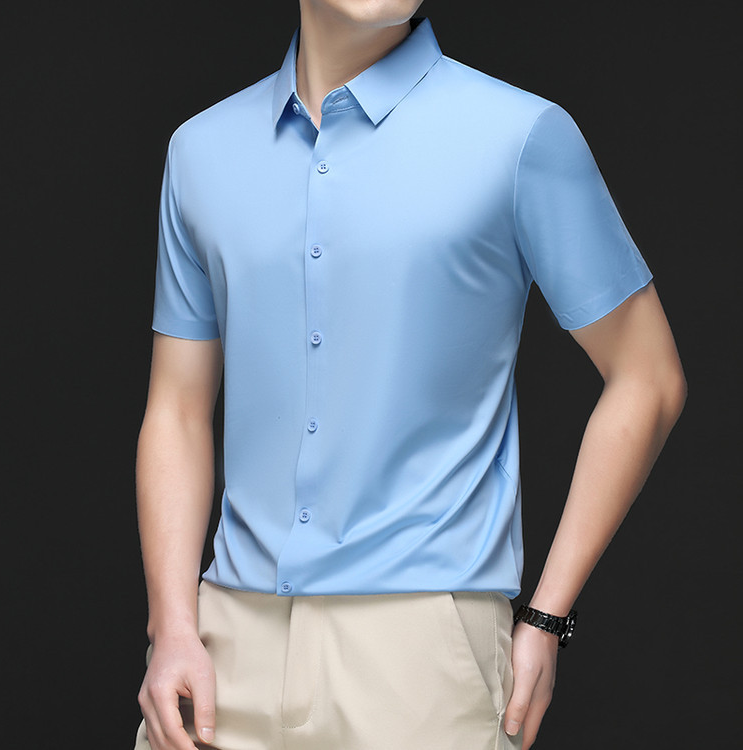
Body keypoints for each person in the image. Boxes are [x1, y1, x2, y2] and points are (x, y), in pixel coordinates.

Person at [132, 1, 687, 749]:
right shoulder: (201, 151)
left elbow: (649, 378)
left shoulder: (519, 135)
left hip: (421, 659)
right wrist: (172, 625)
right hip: (223, 651)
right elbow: (176, 409)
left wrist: (547, 615)